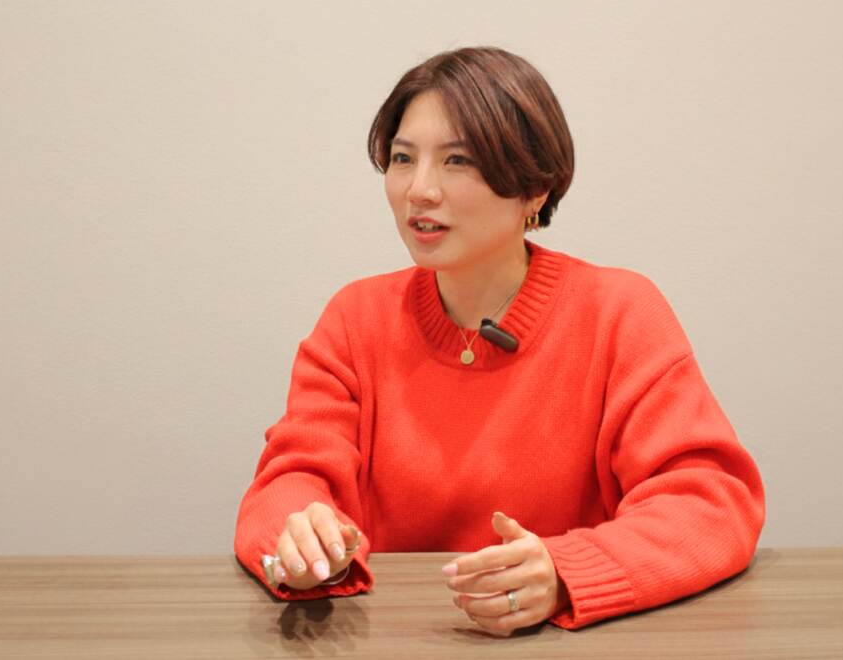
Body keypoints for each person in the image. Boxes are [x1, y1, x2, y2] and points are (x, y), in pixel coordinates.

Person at [234, 46, 765, 636]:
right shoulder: (355, 318)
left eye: (457, 160)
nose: (419, 190)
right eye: (403, 158)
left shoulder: (618, 312)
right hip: (390, 638)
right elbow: (289, 480)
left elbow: (711, 502)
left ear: (535, 189)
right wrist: (301, 536)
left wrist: (566, 572)